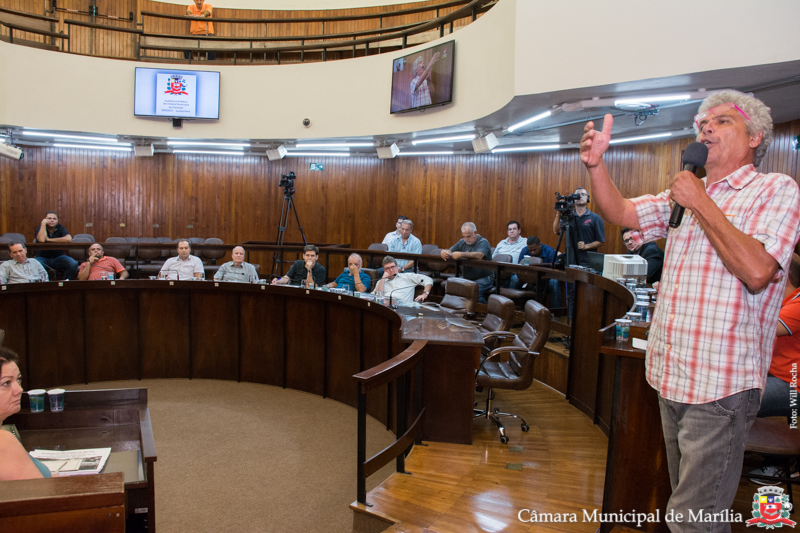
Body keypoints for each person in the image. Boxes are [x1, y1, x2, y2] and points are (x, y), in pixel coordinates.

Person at [580, 90, 800, 531]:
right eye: (702, 124)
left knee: (693, 518)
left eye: (722, 122)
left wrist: (701, 201)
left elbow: (758, 270)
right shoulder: (683, 192)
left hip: (721, 385)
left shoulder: (774, 190)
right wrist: (596, 167)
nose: (706, 129)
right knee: (686, 502)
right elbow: (621, 211)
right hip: (671, 374)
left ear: (755, 136)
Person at [749, 254, 800, 483]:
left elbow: (762, 330)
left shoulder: (798, 304)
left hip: (792, 387)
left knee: (737, 400)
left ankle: (780, 464)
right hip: (780, 377)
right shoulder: (787, 299)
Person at [0, 347, 51, 480]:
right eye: (6, 383)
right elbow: (42, 499)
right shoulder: (3, 441)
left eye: (18, 379)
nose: (19, 389)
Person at [440, 222, 493, 304]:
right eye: (464, 236)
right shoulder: (462, 242)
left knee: (473, 293)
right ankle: (461, 312)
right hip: (467, 277)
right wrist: (445, 252)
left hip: (485, 277)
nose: (466, 239)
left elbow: (480, 255)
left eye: (468, 236)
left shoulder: (483, 242)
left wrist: (461, 254)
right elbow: (450, 250)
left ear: (475, 232)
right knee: (452, 287)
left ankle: (488, 312)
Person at [508, 236, 561, 309]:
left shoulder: (550, 252)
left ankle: (557, 312)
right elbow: (519, 268)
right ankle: (511, 307)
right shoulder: (525, 250)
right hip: (527, 276)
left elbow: (555, 270)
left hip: (545, 278)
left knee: (554, 282)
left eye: (534, 249)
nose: (532, 252)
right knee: (514, 278)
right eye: (530, 250)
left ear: (540, 244)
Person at [33, 211, 79, 280]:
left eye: (54, 219)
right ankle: (42, 284)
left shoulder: (60, 227)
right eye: (49, 218)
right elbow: (41, 240)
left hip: (58, 257)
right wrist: (43, 224)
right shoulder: (40, 227)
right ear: (45, 220)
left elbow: (68, 239)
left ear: (57, 220)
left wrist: (49, 240)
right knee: (33, 265)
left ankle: (65, 282)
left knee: (73, 264)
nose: (52, 220)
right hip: (42, 258)